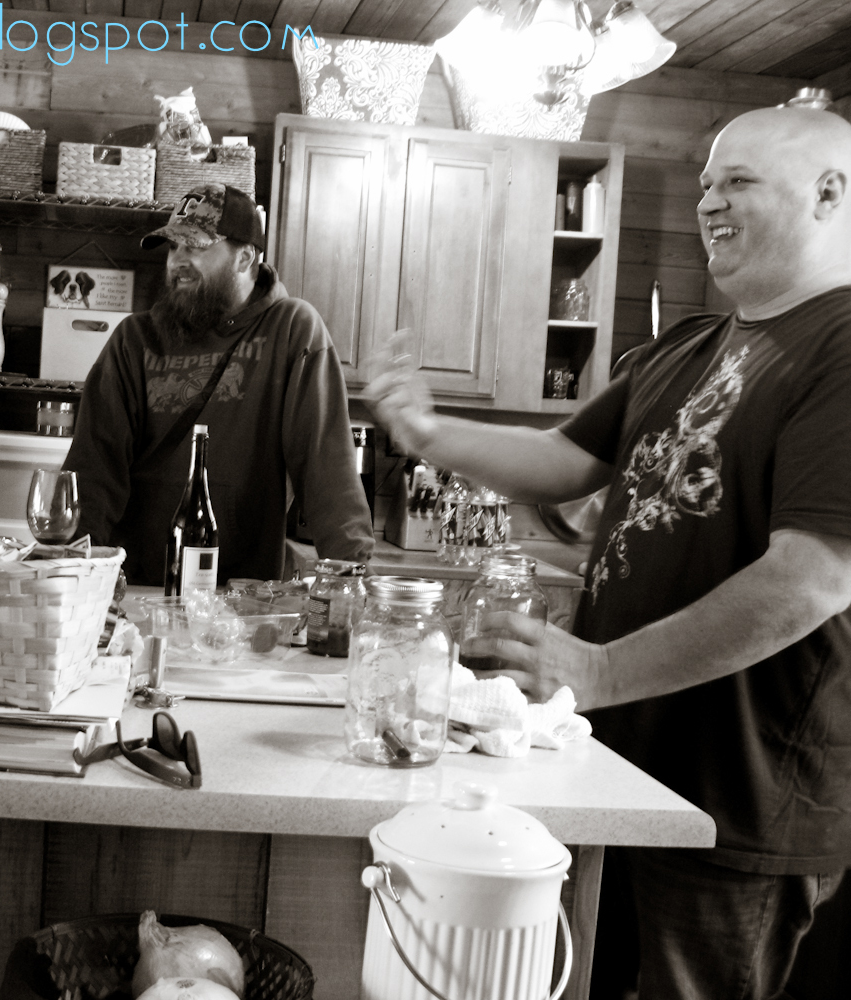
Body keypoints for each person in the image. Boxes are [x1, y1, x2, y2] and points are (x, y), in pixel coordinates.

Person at [367, 106, 851, 999]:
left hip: (734, 802)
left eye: (737, 181)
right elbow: (560, 461)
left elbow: (813, 578)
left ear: (828, 194)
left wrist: (599, 670)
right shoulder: (687, 345)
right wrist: (427, 433)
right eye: (704, 184)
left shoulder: (841, 348)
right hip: (615, 767)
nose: (707, 202)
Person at [63, 183, 375, 585]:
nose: (178, 261)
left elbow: (327, 470)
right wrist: (71, 572)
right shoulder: (134, 339)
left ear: (244, 257)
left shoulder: (292, 331)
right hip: (138, 588)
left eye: (195, 246)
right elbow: (92, 471)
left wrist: (352, 579)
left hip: (242, 597)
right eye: (173, 247)